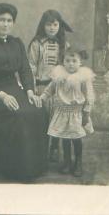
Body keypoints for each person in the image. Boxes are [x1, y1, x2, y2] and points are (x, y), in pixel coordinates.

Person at [0, 3, 48, 181]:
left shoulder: (17, 43)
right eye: (1, 20)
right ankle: (15, 168)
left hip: (15, 90)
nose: (6, 24)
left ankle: (36, 165)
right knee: (19, 115)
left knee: (38, 110)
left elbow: (24, 70)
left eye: (9, 21)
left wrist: (30, 92)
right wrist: (3, 96)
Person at [40, 49, 95, 177]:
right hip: (62, 112)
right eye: (67, 61)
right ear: (63, 62)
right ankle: (67, 161)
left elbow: (89, 96)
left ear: (80, 62)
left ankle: (78, 162)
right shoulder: (59, 76)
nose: (71, 64)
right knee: (64, 138)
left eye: (74, 61)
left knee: (76, 138)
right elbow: (50, 90)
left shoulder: (83, 78)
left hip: (76, 113)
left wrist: (86, 113)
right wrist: (42, 97)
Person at [27, 9, 73, 162]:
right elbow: (31, 67)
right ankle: (40, 151)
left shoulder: (64, 45)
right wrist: (32, 90)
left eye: (55, 24)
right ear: (43, 25)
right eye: (48, 25)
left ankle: (54, 147)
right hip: (41, 88)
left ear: (59, 25)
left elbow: (69, 68)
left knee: (58, 120)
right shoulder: (37, 44)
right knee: (42, 120)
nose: (52, 28)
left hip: (58, 89)